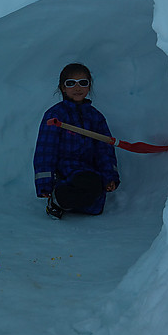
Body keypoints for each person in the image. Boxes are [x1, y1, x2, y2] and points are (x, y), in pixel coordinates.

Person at [33, 63, 120, 219]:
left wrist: (109, 176)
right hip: (64, 171)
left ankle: (61, 202)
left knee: (96, 205)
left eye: (83, 82)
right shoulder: (55, 115)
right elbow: (45, 151)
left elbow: (104, 148)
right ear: (63, 88)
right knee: (89, 184)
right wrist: (45, 184)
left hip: (89, 171)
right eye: (71, 83)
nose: (77, 87)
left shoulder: (96, 117)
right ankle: (57, 197)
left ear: (89, 86)